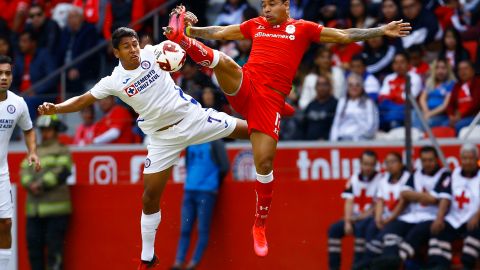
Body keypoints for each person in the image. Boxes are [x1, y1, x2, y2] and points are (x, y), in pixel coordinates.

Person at [165, 2, 411, 256]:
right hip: (246, 84)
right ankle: (182, 39)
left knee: (264, 163)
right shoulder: (256, 25)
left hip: (270, 100)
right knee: (224, 62)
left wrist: (381, 30)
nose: (267, 9)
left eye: (272, 4)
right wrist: (194, 31)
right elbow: (222, 32)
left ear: (286, 5)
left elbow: (344, 35)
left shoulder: (302, 28)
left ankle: (259, 224)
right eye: (263, 5)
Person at [37, 27, 249, 269]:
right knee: (149, 197)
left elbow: (178, 43)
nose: (133, 49)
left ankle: (270, 118)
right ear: (116, 52)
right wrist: (56, 108)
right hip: (161, 139)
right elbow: (83, 100)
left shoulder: (153, 53)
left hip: (192, 119)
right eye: (126, 46)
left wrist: (179, 28)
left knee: (252, 131)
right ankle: (148, 257)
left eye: (135, 43)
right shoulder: (113, 81)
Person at [371, 146, 451, 269]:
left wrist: (417, 196)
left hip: (431, 216)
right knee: (392, 229)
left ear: (436, 160)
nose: (427, 163)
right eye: (424, 160)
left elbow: (436, 199)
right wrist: (426, 197)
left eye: (430, 160)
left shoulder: (444, 174)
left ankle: (396, 260)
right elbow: (405, 194)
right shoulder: (416, 173)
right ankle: (387, 260)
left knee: (416, 233)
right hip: (413, 215)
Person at [0, 55, 40, 270]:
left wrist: (32, 151)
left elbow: (28, 130)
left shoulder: (18, 103)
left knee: (6, 224)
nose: (3, 77)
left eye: (7, 73)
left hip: (1, 175)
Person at [20, 114, 72, 270]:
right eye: (42, 130)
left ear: (56, 130)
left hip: (56, 211)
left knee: (54, 251)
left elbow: (62, 171)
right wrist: (29, 183)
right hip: (34, 211)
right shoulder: (33, 151)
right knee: (34, 251)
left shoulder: (62, 150)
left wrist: (39, 184)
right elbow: (23, 172)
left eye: (48, 129)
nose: (44, 133)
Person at [171, 139, 230, 270]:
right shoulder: (192, 140)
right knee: (186, 229)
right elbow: (188, 163)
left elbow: (225, 166)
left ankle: (192, 263)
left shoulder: (215, 142)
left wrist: (213, 182)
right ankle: (179, 263)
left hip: (206, 192)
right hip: (191, 190)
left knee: (200, 230)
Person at [426, 144, 480, 270]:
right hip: (455, 217)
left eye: (471, 158)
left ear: (476, 158)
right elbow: (445, 197)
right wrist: (439, 218)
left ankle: (466, 264)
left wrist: (477, 216)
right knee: (438, 229)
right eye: (464, 158)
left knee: (476, 229)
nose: (467, 162)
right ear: (460, 159)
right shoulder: (452, 174)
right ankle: (439, 264)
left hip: (474, 217)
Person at [328, 150, 382, 270]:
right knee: (334, 230)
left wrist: (358, 218)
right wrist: (347, 221)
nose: (368, 167)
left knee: (360, 228)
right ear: (360, 163)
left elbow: (377, 206)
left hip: (369, 219)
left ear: (375, 164)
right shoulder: (354, 178)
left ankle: (356, 267)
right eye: (365, 164)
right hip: (354, 218)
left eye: (371, 164)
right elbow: (349, 201)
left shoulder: (380, 179)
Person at [378, 52, 423, 131]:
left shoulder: (415, 78)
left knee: (393, 118)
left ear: (408, 64)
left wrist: (391, 96)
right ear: (392, 65)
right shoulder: (389, 78)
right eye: (396, 63)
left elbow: (407, 99)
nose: (399, 65)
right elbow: (382, 98)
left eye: (402, 62)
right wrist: (397, 95)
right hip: (392, 110)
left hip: (409, 111)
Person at [329, 73, 379, 141]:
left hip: (361, 140)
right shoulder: (342, 102)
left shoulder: (369, 103)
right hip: (342, 140)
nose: (354, 88)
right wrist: (333, 142)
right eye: (350, 85)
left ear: (362, 87)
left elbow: (372, 127)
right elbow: (336, 124)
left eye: (357, 85)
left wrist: (356, 136)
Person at [413, 59, 456, 130]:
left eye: (443, 68)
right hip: (427, 111)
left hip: (441, 114)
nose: (440, 71)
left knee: (428, 122)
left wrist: (430, 114)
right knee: (413, 113)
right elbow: (422, 99)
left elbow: (445, 105)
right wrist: (426, 111)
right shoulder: (429, 82)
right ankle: (416, 135)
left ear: (448, 70)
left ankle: (420, 137)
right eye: (437, 68)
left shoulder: (451, 84)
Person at [445, 60, 480, 134]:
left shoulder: (478, 83)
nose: (462, 71)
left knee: (458, 125)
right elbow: (450, 104)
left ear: (473, 71)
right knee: (443, 124)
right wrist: (451, 115)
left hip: (474, 116)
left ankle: (459, 145)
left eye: (465, 68)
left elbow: (476, 104)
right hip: (458, 117)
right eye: (460, 69)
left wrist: (460, 116)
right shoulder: (457, 85)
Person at [300, 75, 337, 140]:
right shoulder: (311, 105)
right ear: (315, 87)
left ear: (330, 87)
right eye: (319, 85)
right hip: (308, 145)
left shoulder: (335, 104)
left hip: (327, 145)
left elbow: (336, 126)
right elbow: (303, 126)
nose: (321, 87)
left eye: (324, 84)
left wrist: (325, 138)